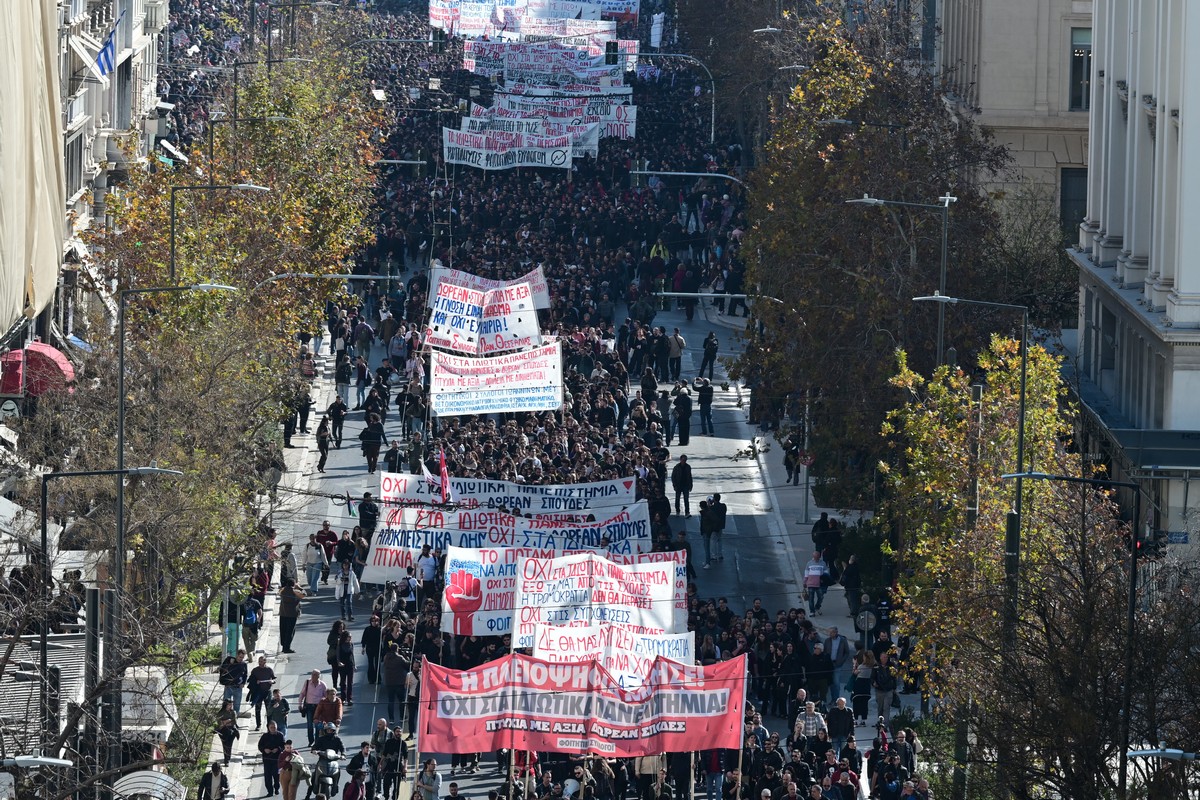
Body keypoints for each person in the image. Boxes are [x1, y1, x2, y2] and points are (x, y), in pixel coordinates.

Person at [299, 671, 330, 745]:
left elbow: (326, 696)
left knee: (318, 725)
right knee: (310, 725)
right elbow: (302, 694)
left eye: (315, 675)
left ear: (319, 676)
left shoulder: (322, 685)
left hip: (319, 707)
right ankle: (311, 741)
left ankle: (317, 741)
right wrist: (300, 704)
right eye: (312, 675)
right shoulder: (307, 683)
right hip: (309, 706)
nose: (313, 676)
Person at [381, 726, 409, 800]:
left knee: (396, 787)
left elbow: (406, 757)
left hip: (398, 767)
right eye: (397, 731)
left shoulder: (403, 744)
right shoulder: (388, 742)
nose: (398, 733)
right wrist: (380, 764)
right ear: (394, 732)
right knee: (386, 785)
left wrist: (405, 767)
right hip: (388, 766)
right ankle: (386, 797)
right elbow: (384, 754)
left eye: (400, 731)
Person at [249, 655, 276, 730]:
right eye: (259, 661)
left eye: (262, 661)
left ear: (265, 661)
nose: (260, 663)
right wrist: (255, 681)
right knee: (258, 709)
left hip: (267, 692)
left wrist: (272, 682)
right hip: (258, 692)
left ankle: (269, 726)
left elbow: (273, 679)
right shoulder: (255, 670)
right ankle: (258, 725)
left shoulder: (269, 670)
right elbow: (251, 680)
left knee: (269, 709)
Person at [259, 721, 286, 796]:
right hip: (267, 759)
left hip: (277, 759)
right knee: (268, 776)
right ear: (268, 728)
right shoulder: (264, 736)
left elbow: (283, 746)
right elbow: (260, 746)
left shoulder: (280, 735)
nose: (273, 729)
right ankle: (269, 791)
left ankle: (276, 788)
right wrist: (264, 749)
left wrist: (278, 749)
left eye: (274, 727)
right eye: (271, 727)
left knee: (276, 775)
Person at [278, 579, 304, 653]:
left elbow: (279, 591)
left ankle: (283, 645)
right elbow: (304, 594)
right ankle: (287, 647)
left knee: (283, 630)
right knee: (290, 631)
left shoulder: (283, 591)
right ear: (293, 584)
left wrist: (286, 587)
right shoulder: (295, 592)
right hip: (292, 614)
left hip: (283, 613)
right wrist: (299, 588)